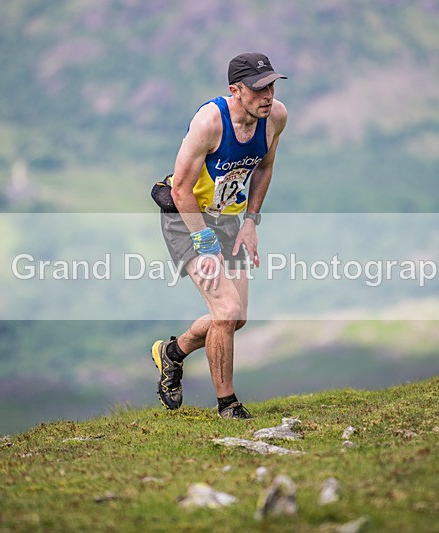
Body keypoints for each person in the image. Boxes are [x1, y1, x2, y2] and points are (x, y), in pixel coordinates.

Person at [150, 52, 288, 419]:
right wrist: (204, 242)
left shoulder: (276, 117)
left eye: (271, 86)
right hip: (187, 219)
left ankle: (172, 353)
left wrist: (250, 221)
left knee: (236, 317)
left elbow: (265, 167)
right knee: (225, 312)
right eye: (258, 89)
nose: (267, 96)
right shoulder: (210, 122)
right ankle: (228, 405)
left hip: (229, 220)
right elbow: (180, 190)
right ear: (235, 90)